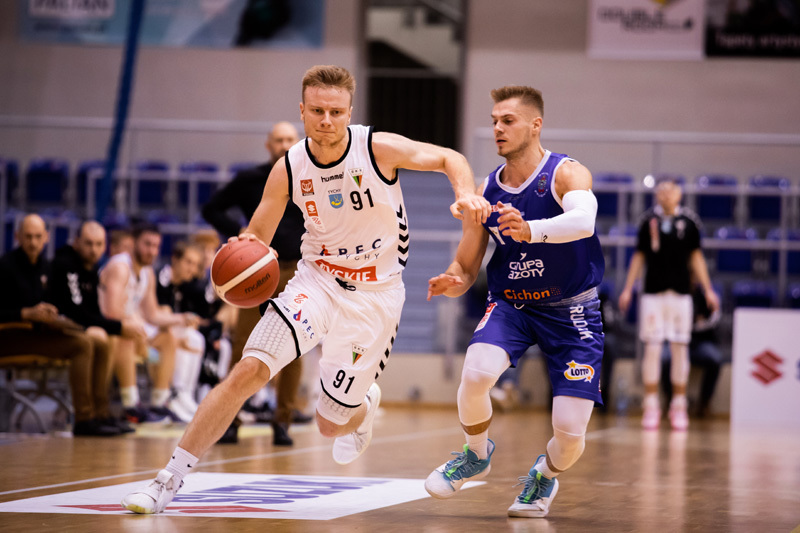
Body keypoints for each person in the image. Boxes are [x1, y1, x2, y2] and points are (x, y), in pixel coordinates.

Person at [121, 64, 489, 514]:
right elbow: (257, 235)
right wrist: (243, 249)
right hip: (316, 282)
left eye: (336, 111)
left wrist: (465, 193)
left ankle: (361, 407)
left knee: (330, 425)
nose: (326, 120)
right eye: (317, 111)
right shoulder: (289, 167)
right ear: (302, 110)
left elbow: (451, 157)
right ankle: (168, 479)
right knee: (248, 370)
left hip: (374, 297)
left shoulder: (376, 148)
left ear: (349, 111)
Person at [424, 85, 605, 519]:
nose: (498, 129)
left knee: (570, 434)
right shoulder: (487, 189)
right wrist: (454, 279)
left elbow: (584, 221)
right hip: (514, 305)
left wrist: (531, 230)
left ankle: (544, 475)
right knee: (476, 373)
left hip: (572, 309)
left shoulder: (566, 173)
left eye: (508, 121)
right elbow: (467, 264)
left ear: (535, 125)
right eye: (494, 121)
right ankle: (475, 454)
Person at [202, 121, 306, 446]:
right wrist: (238, 232)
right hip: (255, 275)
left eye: (290, 139)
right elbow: (211, 208)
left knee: (294, 349)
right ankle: (230, 421)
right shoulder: (250, 179)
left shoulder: (310, 177)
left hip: (297, 272)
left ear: (297, 142)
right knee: (244, 346)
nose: (284, 144)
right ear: (268, 145)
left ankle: (283, 421)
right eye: (279, 140)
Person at [0, 215, 120, 436]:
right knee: (83, 344)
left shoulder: (46, 266)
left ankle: (101, 414)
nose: (33, 242)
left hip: (38, 334)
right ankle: (84, 419)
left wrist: (53, 315)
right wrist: (24, 313)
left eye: (38, 237)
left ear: (46, 237)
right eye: (28, 236)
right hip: (11, 337)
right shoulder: (5, 266)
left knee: (95, 342)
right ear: (17, 236)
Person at [618, 176, 719, 431]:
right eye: (661, 190)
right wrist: (628, 288)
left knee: (679, 348)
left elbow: (696, 257)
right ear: (656, 195)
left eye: (670, 190)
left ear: (679, 194)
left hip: (681, 294)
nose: (665, 194)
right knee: (652, 348)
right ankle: (651, 405)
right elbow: (639, 256)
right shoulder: (647, 221)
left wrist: (708, 289)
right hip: (653, 294)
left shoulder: (690, 222)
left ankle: (678, 406)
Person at [45, 220, 147, 433]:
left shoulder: (91, 268)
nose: (94, 250)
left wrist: (117, 328)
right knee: (97, 337)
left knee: (108, 336)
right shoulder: (66, 264)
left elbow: (92, 314)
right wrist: (119, 326)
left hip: (75, 326)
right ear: (76, 242)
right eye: (88, 243)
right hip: (56, 328)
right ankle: (86, 416)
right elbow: (77, 313)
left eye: (99, 244)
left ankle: (102, 413)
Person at [99, 223, 200, 424]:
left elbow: (152, 314)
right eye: (147, 244)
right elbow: (111, 313)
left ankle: (159, 403)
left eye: (156, 246)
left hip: (130, 328)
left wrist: (181, 318)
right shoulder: (120, 267)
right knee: (128, 332)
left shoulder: (147, 273)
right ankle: (130, 406)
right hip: (107, 327)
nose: (152, 251)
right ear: (134, 243)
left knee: (167, 338)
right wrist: (135, 325)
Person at [155, 241, 208, 421]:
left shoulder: (182, 285)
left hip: (165, 328)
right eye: (188, 262)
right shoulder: (162, 278)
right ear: (175, 259)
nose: (192, 269)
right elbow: (161, 316)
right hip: (151, 328)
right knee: (189, 337)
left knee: (196, 337)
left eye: (195, 264)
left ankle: (186, 393)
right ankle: (176, 394)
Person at [660, 284, 723, 418]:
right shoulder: (674, 296)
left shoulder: (705, 296)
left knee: (715, 359)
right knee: (665, 358)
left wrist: (692, 326)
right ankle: (670, 399)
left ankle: (704, 402)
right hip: (675, 342)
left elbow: (712, 322)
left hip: (699, 343)